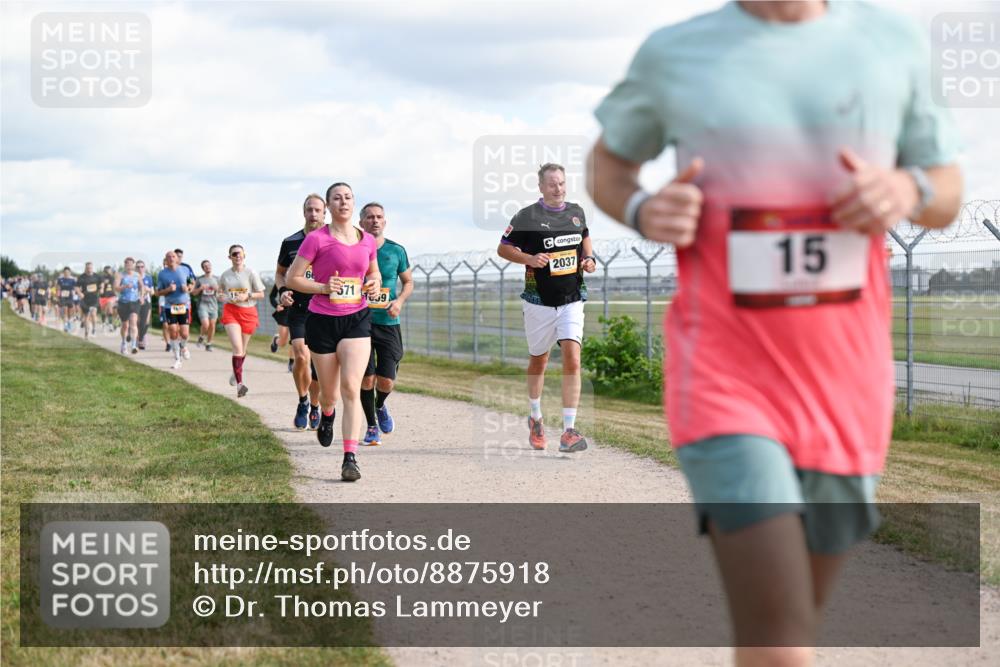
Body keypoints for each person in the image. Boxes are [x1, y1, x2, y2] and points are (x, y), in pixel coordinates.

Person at [587, 2, 963, 664]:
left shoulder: (891, 39)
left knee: (788, 627)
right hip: (724, 379)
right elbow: (608, 167)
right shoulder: (678, 51)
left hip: (848, 385)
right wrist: (646, 208)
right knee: (783, 638)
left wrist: (906, 188)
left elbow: (947, 188)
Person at [497, 163, 596, 453]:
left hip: (572, 298)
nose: (559, 189)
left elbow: (585, 235)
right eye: (552, 184)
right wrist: (528, 258)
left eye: (562, 183)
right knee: (539, 361)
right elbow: (503, 247)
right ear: (541, 187)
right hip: (538, 301)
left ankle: (569, 431)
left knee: (572, 358)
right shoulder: (527, 216)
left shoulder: (576, 212)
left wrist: (589, 258)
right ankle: (536, 418)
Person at [286, 182, 381, 482]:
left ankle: (349, 458)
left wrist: (374, 282)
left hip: (357, 319)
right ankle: (327, 414)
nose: (343, 202)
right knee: (329, 394)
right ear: (328, 206)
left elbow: (373, 271)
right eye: (337, 198)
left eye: (348, 197)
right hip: (322, 320)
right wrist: (324, 288)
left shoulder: (367, 240)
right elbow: (293, 278)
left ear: (354, 203)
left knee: (351, 388)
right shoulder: (316, 240)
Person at [358, 202, 414, 446]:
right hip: (359, 322)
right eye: (369, 217)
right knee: (366, 378)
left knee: (386, 380)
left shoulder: (396, 250)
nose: (375, 221)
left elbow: (408, 282)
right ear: (361, 223)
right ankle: (371, 426)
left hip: (388, 321)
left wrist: (399, 301)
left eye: (379, 217)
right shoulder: (354, 249)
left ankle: (380, 405)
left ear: (385, 221)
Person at [275, 193, 328, 431]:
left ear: (325, 213)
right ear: (304, 212)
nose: (313, 214)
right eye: (310, 210)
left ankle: (315, 405)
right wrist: (283, 290)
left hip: (325, 309)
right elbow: (280, 273)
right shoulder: (291, 242)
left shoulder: (333, 239)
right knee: (301, 355)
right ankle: (303, 400)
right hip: (299, 308)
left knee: (318, 364)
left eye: (318, 210)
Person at [217, 245, 265, 397]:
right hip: (231, 311)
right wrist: (221, 297)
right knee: (237, 348)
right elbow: (219, 292)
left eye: (240, 254)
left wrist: (247, 296)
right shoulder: (225, 275)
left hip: (248, 312)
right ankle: (240, 384)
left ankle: (235, 371)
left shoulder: (251, 273)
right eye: (234, 254)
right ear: (229, 257)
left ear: (244, 255)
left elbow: (261, 294)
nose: (237, 256)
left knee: (243, 349)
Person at [156, 251, 193, 370]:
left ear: (177, 258)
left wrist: (187, 288)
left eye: (173, 256)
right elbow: (158, 293)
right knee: (172, 330)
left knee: (185, 333)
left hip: (184, 305)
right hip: (169, 306)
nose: (171, 258)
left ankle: (183, 346)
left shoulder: (185, 270)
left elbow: (191, 284)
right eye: (169, 257)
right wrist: (168, 290)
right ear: (166, 260)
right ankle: (177, 359)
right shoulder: (162, 274)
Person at [115, 257, 143, 354]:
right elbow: (116, 288)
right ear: (125, 265)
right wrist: (124, 286)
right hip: (123, 302)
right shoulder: (120, 275)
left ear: (133, 265)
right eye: (127, 264)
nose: (129, 266)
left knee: (133, 322)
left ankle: (134, 345)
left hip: (134, 302)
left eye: (131, 264)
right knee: (125, 325)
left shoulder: (137, 275)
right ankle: (123, 343)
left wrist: (142, 296)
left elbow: (141, 286)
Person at [192, 260, 220, 351]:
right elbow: (193, 293)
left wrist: (217, 289)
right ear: (203, 268)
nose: (207, 267)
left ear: (211, 266)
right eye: (205, 266)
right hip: (203, 304)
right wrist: (200, 288)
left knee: (212, 325)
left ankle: (208, 344)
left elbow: (222, 293)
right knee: (205, 324)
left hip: (213, 304)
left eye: (209, 265)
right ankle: (201, 336)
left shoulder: (217, 279)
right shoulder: (199, 279)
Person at [76, 262, 101, 339]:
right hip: (85, 299)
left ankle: (94, 329)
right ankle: (86, 333)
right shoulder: (81, 277)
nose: (89, 269)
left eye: (90, 268)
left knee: (93, 313)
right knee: (86, 316)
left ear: (92, 268)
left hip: (94, 298)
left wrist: (102, 288)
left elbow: (101, 284)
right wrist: (79, 293)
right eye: (87, 268)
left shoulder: (97, 276)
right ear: (85, 268)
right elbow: (76, 287)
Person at [136, 260, 154, 350]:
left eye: (142, 266)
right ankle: (140, 340)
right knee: (139, 322)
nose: (140, 268)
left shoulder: (149, 277)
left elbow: (153, 292)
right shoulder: (134, 278)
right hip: (136, 302)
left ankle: (141, 337)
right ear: (136, 268)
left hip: (147, 301)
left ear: (145, 267)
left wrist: (148, 289)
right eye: (138, 267)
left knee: (146, 322)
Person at [56, 267, 77, 333]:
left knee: (70, 313)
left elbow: (75, 288)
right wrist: (58, 295)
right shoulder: (60, 279)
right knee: (65, 310)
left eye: (68, 272)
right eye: (65, 272)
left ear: (70, 273)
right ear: (63, 273)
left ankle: (69, 323)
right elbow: (58, 288)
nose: (66, 273)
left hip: (70, 297)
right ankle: (65, 325)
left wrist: (74, 293)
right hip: (63, 297)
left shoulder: (72, 280)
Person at [99, 265, 118, 331]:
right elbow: (102, 284)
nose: (108, 272)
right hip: (103, 296)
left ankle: (110, 325)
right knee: (103, 311)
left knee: (110, 308)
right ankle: (103, 323)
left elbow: (115, 284)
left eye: (109, 270)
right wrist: (101, 289)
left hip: (111, 296)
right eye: (107, 270)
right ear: (104, 271)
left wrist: (116, 294)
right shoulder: (102, 277)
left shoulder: (113, 277)